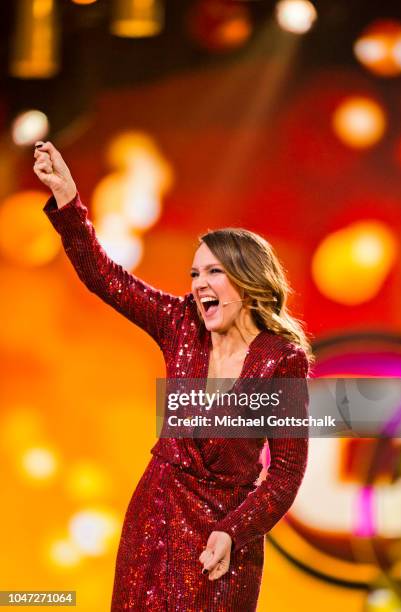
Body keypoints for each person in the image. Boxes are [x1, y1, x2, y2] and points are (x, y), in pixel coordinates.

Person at [34, 141, 313, 612]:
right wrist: (68, 200)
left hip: (224, 533)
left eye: (214, 272)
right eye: (194, 273)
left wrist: (232, 531)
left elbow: (286, 472)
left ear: (247, 282)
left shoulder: (281, 360)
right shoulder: (181, 322)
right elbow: (105, 276)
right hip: (156, 516)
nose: (199, 283)